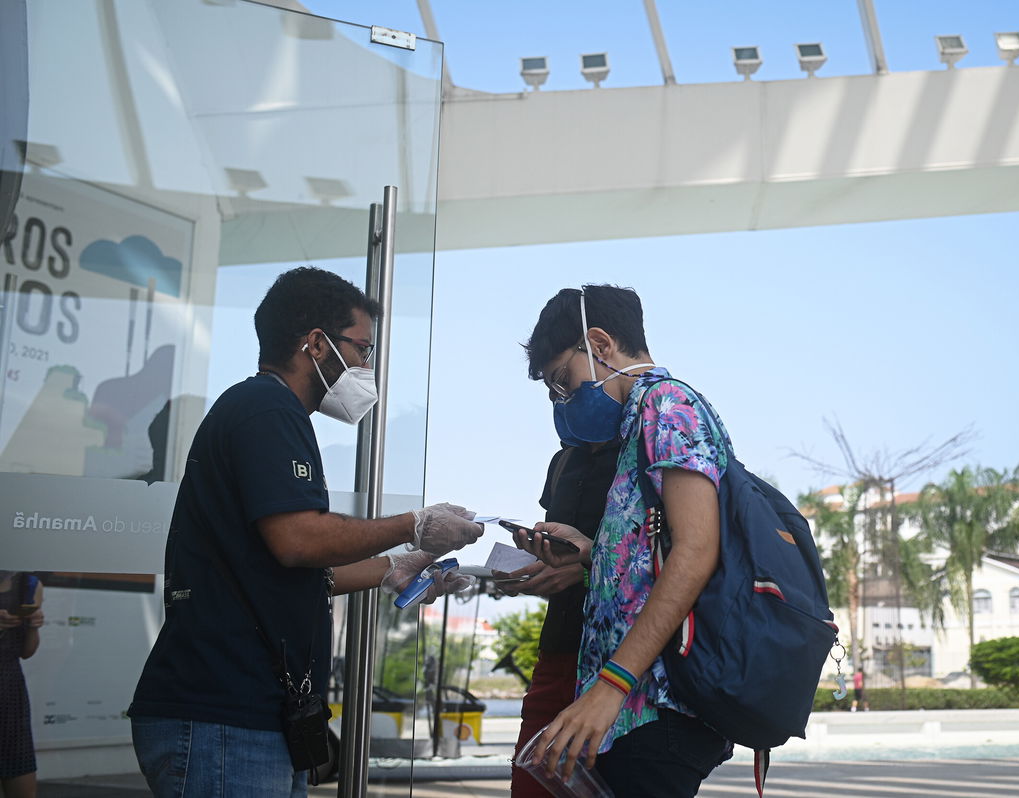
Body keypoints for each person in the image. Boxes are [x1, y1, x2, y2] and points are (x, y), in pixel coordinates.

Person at [128, 267, 482, 797]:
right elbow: (299, 541)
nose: (367, 365)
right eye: (362, 349)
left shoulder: (270, 412)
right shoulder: (266, 409)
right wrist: (414, 525)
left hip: (255, 718)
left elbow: (298, 568)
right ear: (316, 343)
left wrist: (398, 567)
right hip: (223, 718)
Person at [513, 285, 733, 797]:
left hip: (650, 708)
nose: (562, 400)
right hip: (626, 711)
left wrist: (610, 687)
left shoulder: (669, 405)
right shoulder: (640, 419)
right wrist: (593, 555)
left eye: (563, 380)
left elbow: (697, 552)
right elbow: (651, 561)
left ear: (600, 344)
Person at [502, 440, 619, 798]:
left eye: (564, 383)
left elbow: (675, 560)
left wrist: (587, 570)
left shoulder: (648, 446)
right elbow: (561, 551)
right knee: (532, 782)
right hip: (558, 653)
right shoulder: (563, 461)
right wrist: (528, 570)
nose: (560, 401)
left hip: (621, 666)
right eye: (553, 392)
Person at [0, 572, 43, 798]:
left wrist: (34, 626)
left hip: (10, 689)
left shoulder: (29, 584)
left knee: (21, 779)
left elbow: (26, 651)